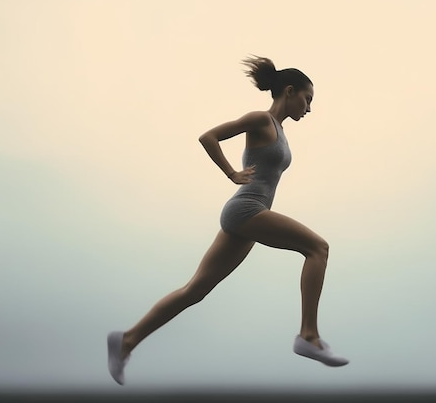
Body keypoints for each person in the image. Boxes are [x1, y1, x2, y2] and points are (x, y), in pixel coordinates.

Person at [107, 56, 349, 385]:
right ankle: (309, 336)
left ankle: (127, 340)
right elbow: (208, 137)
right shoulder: (261, 119)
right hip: (246, 210)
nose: (309, 108)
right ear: (289, 92)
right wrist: (231, 172)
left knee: (196, 290)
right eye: (307, 99)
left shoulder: (278, 130)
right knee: (318, 248)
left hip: (246, 217)